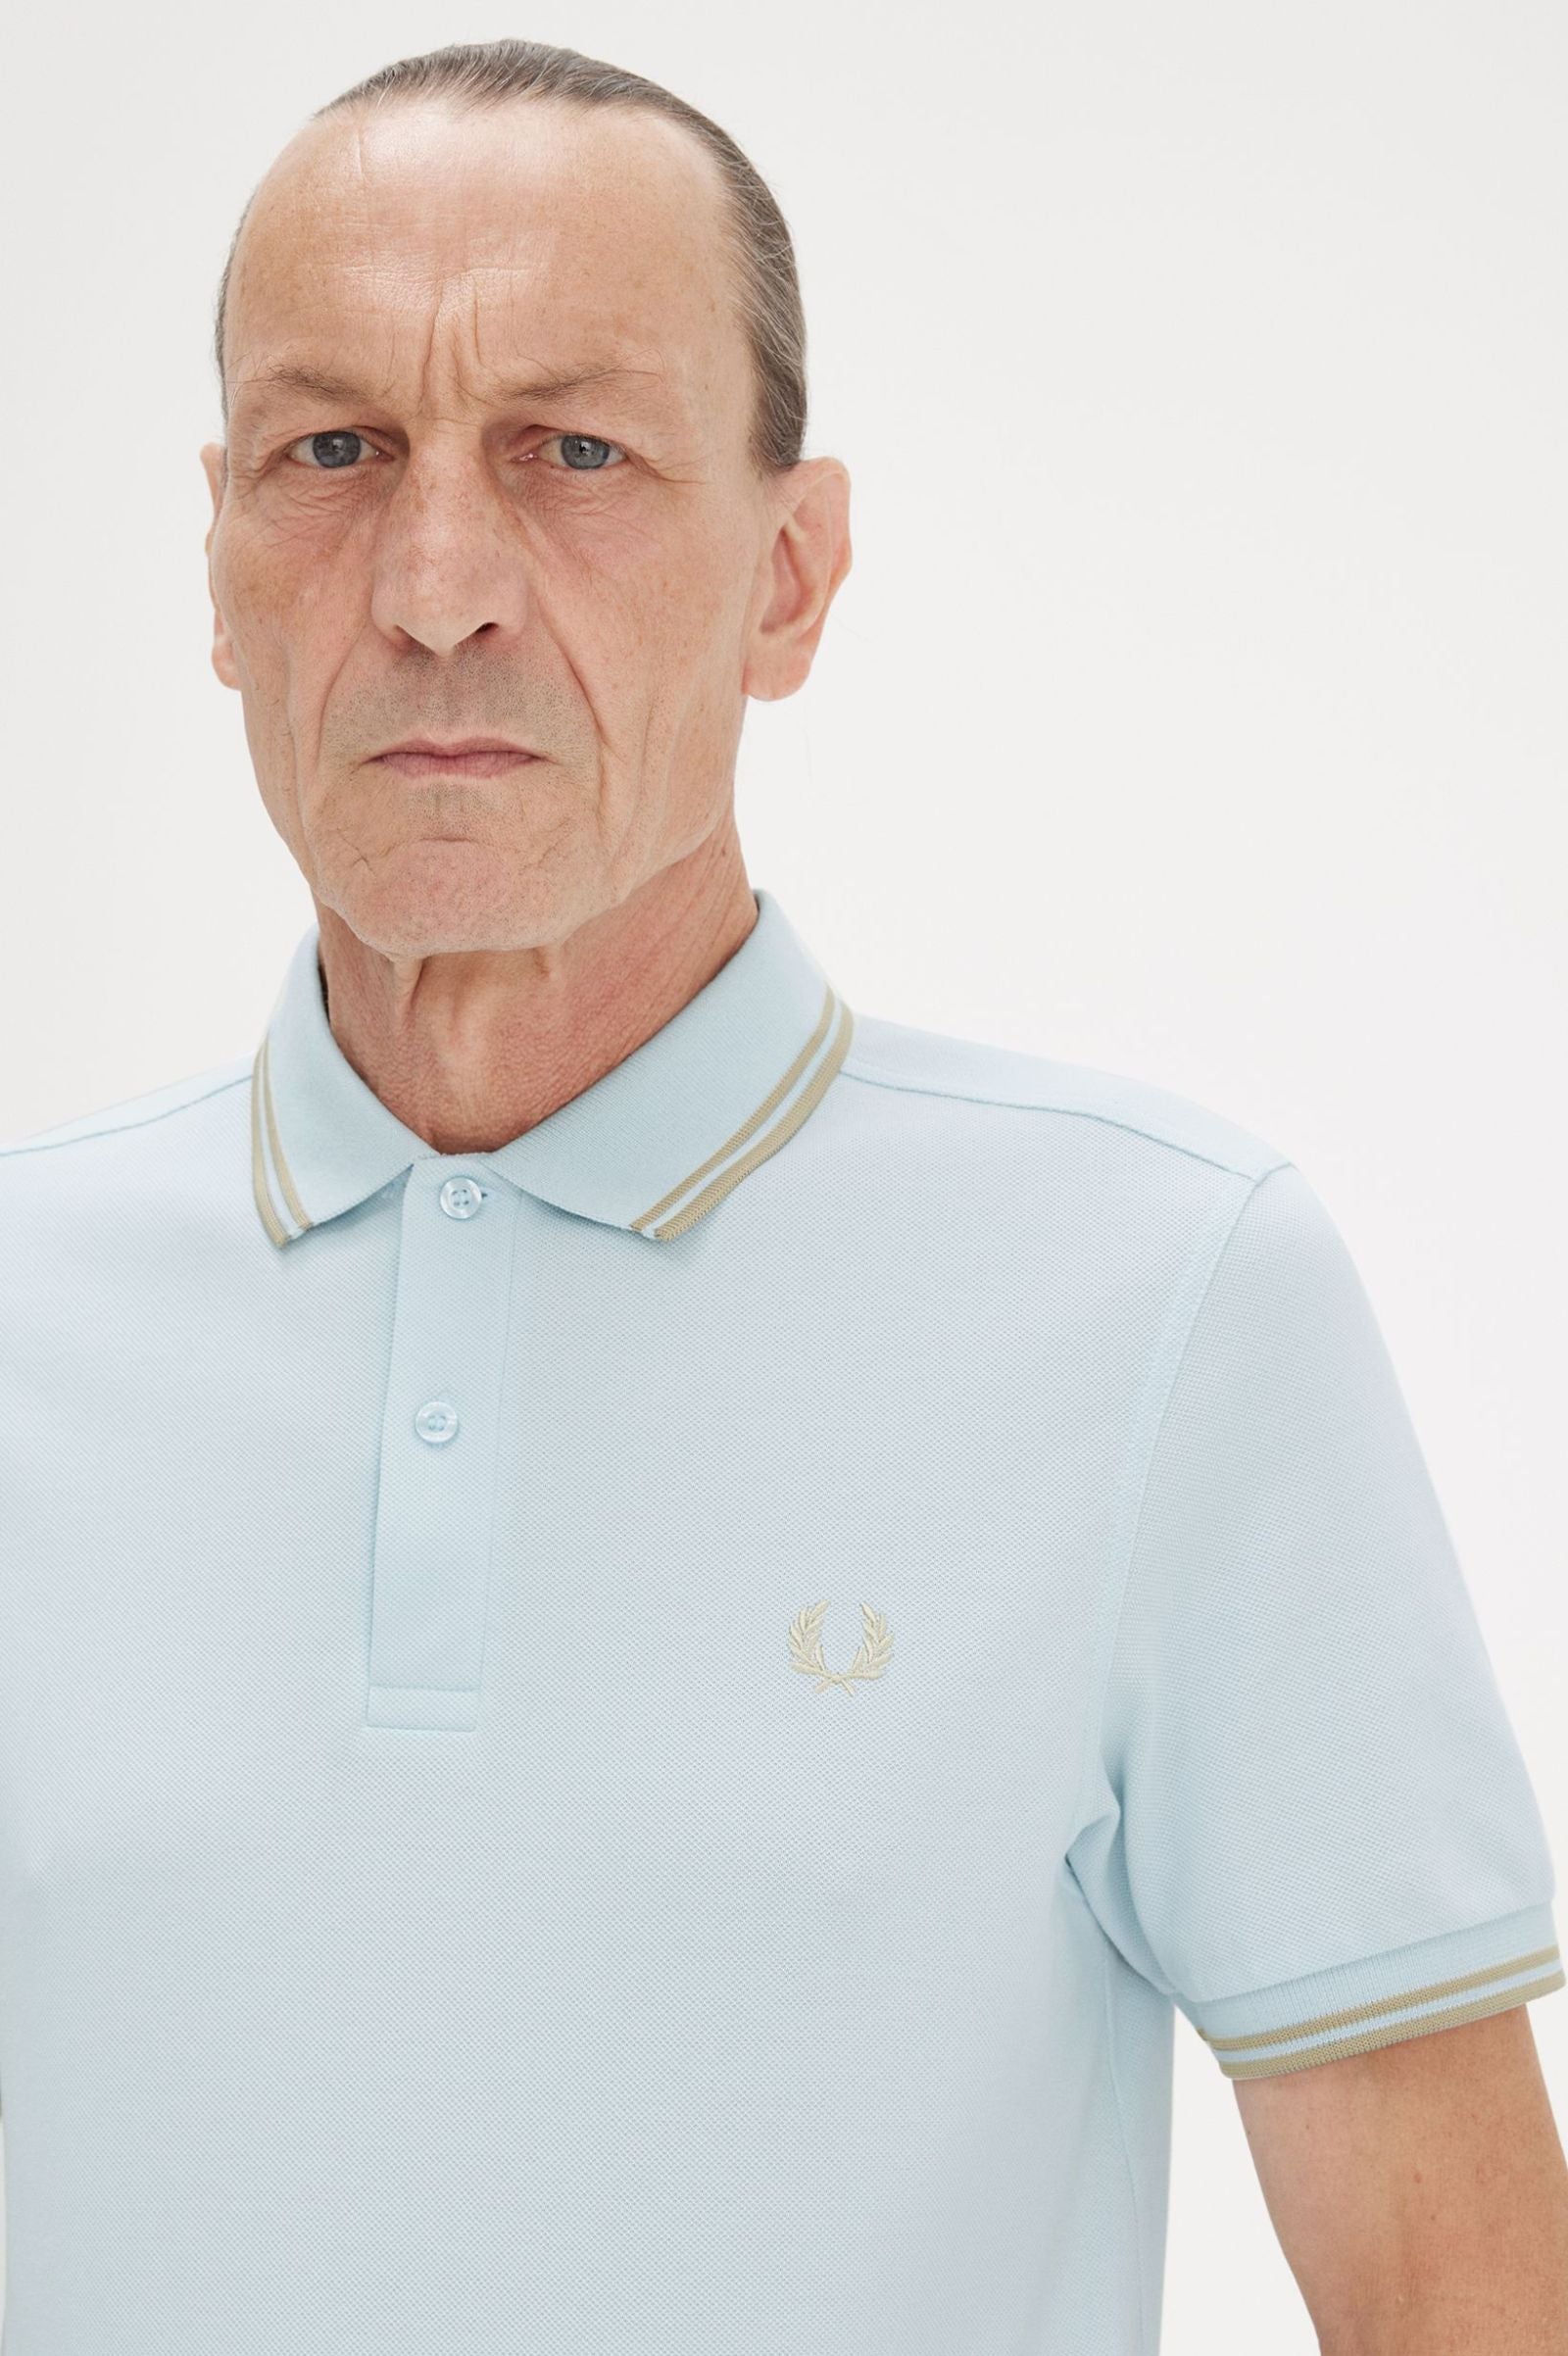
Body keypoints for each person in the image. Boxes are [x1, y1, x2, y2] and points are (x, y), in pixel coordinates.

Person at [1, 35, 1563, 2353]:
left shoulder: (1166, 1296)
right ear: (219, 570)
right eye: (333, 452)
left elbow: (1462, 2301)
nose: (434, 586)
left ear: (791, 574)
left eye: (573, 453)